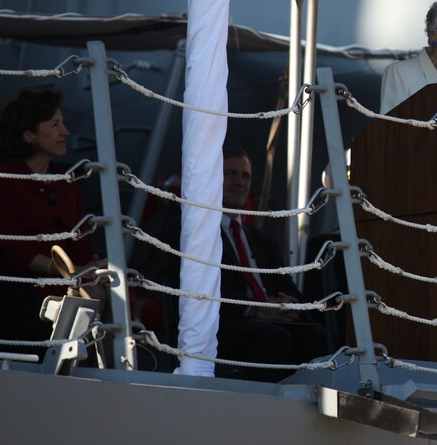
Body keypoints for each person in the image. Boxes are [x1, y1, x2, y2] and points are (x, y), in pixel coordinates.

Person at [133, 146, 328, 381]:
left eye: (245, 176)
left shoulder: (262, 240)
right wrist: (256, 308)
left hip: (266, 322)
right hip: (221, 324)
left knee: (317, 335)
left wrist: (290, 307)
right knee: (274, 338)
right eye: (231, 174)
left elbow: (288, 287)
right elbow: (191, 289)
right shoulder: (189, 230)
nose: (240, 182)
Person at [0, 88, 102, 339]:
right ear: (28, 135)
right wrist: (70, 272)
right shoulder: (0, 181)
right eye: (55, 124)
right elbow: (10, 247)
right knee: (90, 296)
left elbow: (80, 242)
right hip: (20, 285)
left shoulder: (66, 183)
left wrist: (93, 267)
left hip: (67, 280)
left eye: (63, 123)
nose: (65, 132)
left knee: (105, 286)